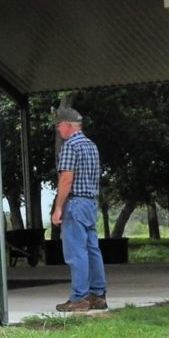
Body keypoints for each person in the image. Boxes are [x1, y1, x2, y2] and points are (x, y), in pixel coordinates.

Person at [50, 107, 108, 312]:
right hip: (90, 203)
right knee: (93, 250)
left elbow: (66, 179)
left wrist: (58, 208)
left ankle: (79, 298)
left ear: (67, 125)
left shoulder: (70, 146)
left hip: (74, 204)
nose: (59, 130)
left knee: (76, 253)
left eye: (59, 126)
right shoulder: (91, 146)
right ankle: (98, 295)